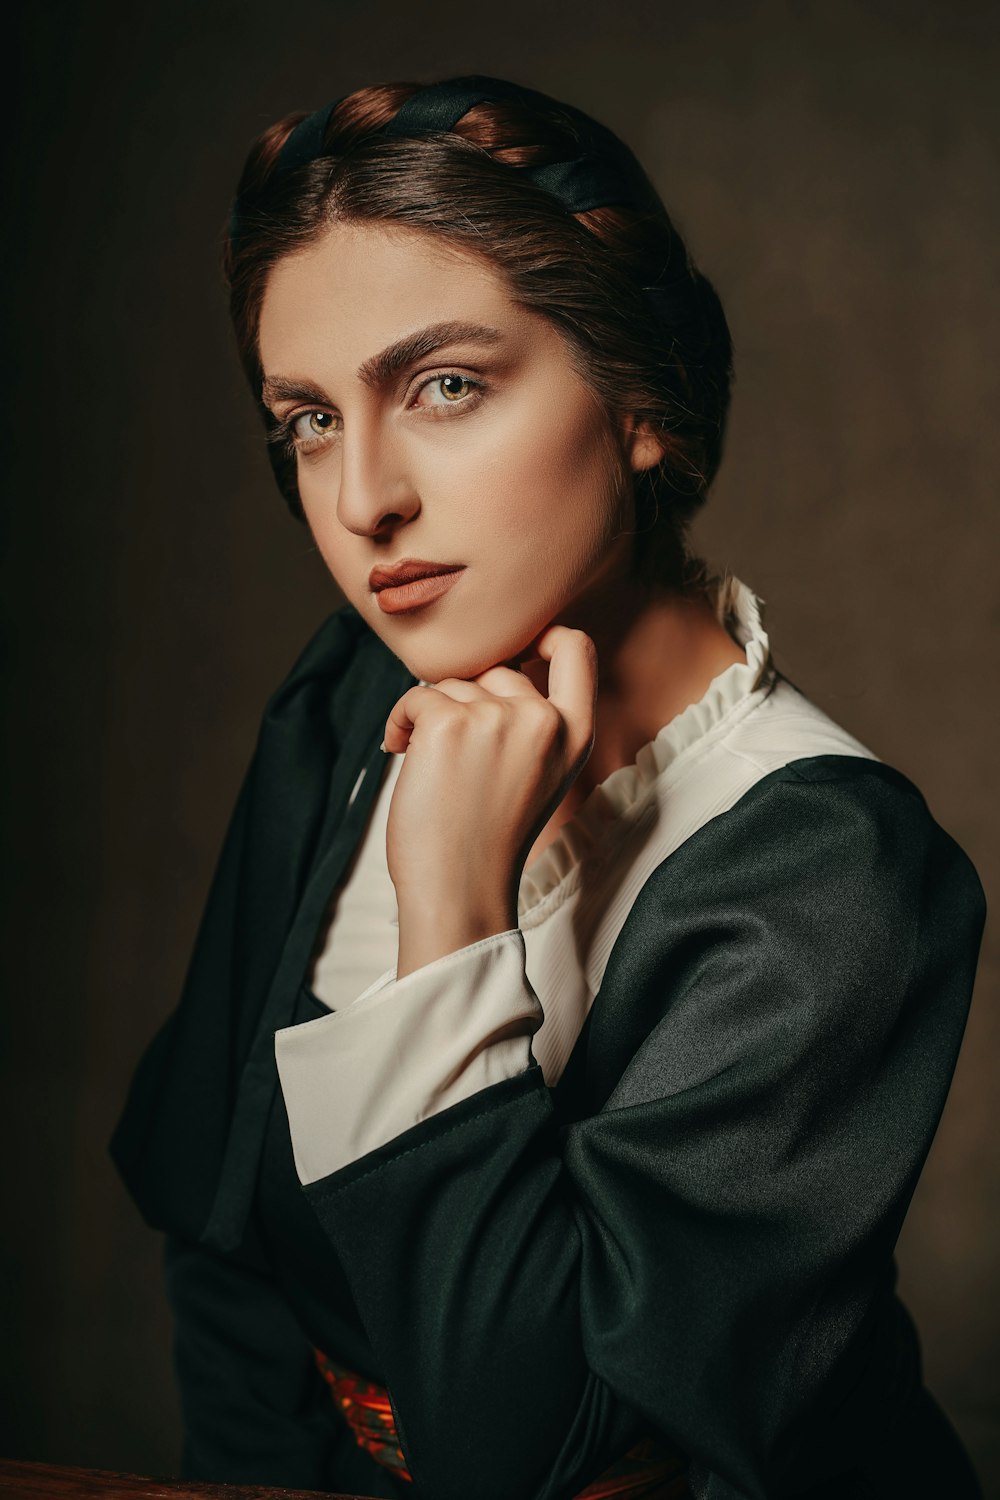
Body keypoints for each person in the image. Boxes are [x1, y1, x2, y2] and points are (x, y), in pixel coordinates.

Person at [109, 74, 987, 1500]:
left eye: (445, 384)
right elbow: (222, 1225)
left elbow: (536, 1448)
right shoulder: (348, 695)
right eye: (308, 420)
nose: (361, 499)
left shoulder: (832, 869)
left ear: (638, 398)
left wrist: (451, 910)